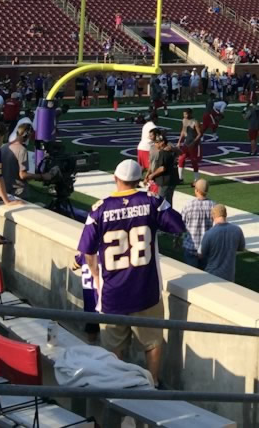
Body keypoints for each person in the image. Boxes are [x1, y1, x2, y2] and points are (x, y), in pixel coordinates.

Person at [77, 160, 184, 387]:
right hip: (145, 288)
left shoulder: (99, 209)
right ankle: (152, 383)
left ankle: (118, 386)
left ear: (116, 178)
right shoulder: (152, 202)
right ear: (138, 180)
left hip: (113, 292)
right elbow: (177, 225)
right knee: (153, 342)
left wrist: (96, 276)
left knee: (115, 347)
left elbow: (86, 251)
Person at [198, 204, 245, 281]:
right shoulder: (237, 230)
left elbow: (201, 254)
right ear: (225, 214)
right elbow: (241, 248)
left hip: (212, 274)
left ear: (212, 216)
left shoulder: (209, 233)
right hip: (229, 275)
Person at [180, 179, 214, 267]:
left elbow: (180, 225)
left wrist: (176, 239)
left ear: (197, 190)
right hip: (206, 247)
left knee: (192, 278)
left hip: (191, 246)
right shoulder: (213, 205)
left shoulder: (189, 205)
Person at [0, 121, 36, 198]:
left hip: (4, 187)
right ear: (27, 135)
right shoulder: (22, 150)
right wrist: (40, 176)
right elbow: (23, 175)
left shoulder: (4, 147)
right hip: (18, 190)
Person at [146, 131, 180, 206]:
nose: (155, 144)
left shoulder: (163, 152)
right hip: (171, 179)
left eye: (157, 142)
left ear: (162, 143)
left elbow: (162, 168)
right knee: (168, 201)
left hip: (165, 181)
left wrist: (152, 175)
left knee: (162, 202)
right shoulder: (169, 151)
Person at [177, 109, 202, 183]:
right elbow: (183, 131)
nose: (185, 116)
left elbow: (199, 134)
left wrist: (194, 142)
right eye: (184, 114)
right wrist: (179, 142)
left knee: (194, 161)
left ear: (190, 114)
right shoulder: (184, 120)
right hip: (186, 143)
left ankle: (196, 179)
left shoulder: (195, 122)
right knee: (181, 159)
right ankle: (180, 178)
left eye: (186, 114)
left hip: (193, 145)